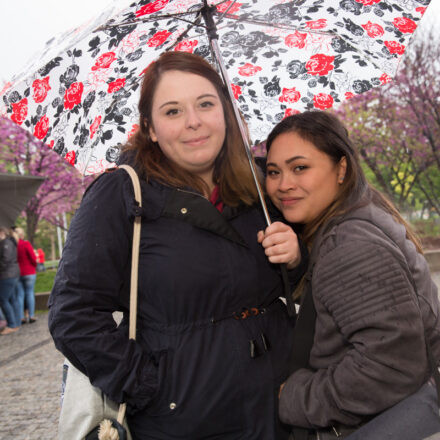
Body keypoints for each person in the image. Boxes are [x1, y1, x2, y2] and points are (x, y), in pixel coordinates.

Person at [48, 51, 305, 439]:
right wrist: (149, 386)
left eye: (205, 104)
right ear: (150, 128)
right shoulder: (121, 193)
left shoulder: (259, 181)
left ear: (226, 111)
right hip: (184, 419)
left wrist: (297, 255)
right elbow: (72, 313)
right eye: (172, 111)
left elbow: (306, 277)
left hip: (280, 407)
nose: (194, 122)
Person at [262, 110, 440, 438]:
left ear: (341, 168)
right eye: (274, 172)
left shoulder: (349, 245)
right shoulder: (359, 216)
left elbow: (390, 368)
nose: (283, 185)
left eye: (300, 167)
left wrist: (295, 396)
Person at [0, 227, 21, 335]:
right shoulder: (9, 242)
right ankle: (16, 323)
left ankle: (12, 324)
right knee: (12, 299)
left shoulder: (6, 243)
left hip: (7, 275)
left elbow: (5, 260)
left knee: (3, 299)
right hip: (11, 274)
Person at [15, 227, 38, 323]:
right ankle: (31, 315)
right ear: (22, 234)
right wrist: (34, 266)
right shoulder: (25, 244)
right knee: (29, 293)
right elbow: (33, 257)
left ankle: (21, 317)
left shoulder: (13, 246)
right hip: (29, 272)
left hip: (17, 273)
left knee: (20, 295)